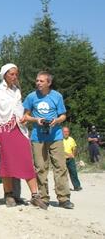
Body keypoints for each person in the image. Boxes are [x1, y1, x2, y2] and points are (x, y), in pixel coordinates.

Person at [0, 64, 47, 210]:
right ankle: (8, 194)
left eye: (16, 74)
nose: (15, 77)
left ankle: (35, 195)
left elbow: (19, 110)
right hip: (3, 129)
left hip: (18, 129)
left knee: (26, 160)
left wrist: (26, 118)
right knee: (6, 162)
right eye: (12, 74)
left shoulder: (16, 91)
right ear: (5, 75)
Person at [23, 71, 73, 209]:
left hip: (55, 136)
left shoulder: (57, 96)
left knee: (60, 167)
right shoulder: (31, 97)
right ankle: (43, 198)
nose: (38, 83)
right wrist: (36, 119)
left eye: (41, 81)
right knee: (40, 167)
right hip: (37, 137)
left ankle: (63, 198)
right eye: (37, 80)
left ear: (48, 83)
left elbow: (63, 115)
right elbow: (25, 116)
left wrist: (56, 120)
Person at [62, 126, 82, 191]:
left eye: (67, 131)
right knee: (62, 174)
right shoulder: (59, 139)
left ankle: (77, 186)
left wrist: (73, 155)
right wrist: (67, 154)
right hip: (62, 159)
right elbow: (59, 150)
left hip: (70, 159)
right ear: (62, 132)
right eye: (65, 131)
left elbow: (74, 147)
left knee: (73, 172)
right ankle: (63, 188)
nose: (66, 133)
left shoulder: (71, 139)